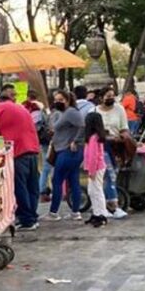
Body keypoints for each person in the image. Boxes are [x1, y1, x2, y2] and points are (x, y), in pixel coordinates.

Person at [0, 93, 41, 230]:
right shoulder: (21, 108)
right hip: (32, 149)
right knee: (31, 186)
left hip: (17, 152)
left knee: (19, 186)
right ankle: (32, 216)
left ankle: (26, 219)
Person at [44, 89, 85, 221]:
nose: (57, 102)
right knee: (73, 181)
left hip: (67, 151)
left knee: (57, 180)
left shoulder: (70, 112)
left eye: (61, 100)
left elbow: (82, 126)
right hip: (68, 150)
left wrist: (76, 141)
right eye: (56, 100)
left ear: (67, 100)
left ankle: (54, 212)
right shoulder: (64, 113)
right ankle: (75, 212)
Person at [96, 87, 130, 219]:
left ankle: (104, 204)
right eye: (107, 96)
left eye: (112, 96)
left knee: (113, 174)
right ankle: (114, 207)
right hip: (101, 147)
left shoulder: (119, 109)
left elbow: (124, 127)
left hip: (116, 147)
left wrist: (125, 137)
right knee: (110, 175)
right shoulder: (93, 111)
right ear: (101, 98)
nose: (111, 98)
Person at [83, 112, 110, 228]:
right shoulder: (96, 137)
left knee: (97, 191)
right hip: (96, 167)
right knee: (92, 191)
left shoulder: (94, 139)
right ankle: (96, 212)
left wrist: (92, 171)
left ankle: (101, 214)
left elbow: (93, 157)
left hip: (96, 168)